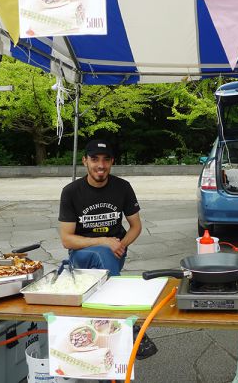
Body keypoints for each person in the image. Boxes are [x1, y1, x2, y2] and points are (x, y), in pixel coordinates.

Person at [58, 139, 156, 359]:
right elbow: (67, 240)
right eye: (94, 159)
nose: (100, 165)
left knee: (106, 261)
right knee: (103, 254)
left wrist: (119, 244)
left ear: (112, 162)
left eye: (105, 160)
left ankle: (105, 341)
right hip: (81, 254)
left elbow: (136, 226)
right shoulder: (71, 192)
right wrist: (103, 241)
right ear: (85, 161)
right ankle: (125, 324)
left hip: (116, 252)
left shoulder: (122, 187)